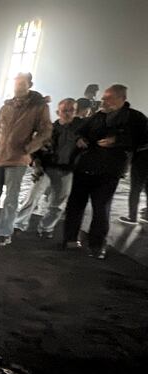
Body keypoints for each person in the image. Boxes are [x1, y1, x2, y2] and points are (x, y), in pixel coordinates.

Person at [63, 84, 148, 259]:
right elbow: (80, 131)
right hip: (85, 167)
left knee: (101, 208)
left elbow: (142, 141)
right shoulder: (98, 116)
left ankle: (97, 245)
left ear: (121, 99)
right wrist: (80, 139)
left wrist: (117, 140)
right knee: (75, 205)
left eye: (108, 98)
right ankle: (70, 239)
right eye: (103, 98)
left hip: (109, 171)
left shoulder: (135, 118)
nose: (103, 101)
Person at [0, 72, 52, 246]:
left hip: (17, 158)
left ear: (29, 85)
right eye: (16, 84)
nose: (18, 87)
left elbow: (46, 130)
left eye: (21, 84)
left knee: (11, 198)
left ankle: (4, 233)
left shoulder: (38, 107)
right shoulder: (6, 107)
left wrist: (30, 148)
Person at [12, 98, 83, 238]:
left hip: (66, 170)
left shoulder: (82, 129)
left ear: (76, 112)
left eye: (71, 110)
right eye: (65, 110)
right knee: (32, 197)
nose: (68, 113)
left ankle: (46, 228)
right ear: (58, 112)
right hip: (46, 168)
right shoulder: (48, 129)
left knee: (58, 203)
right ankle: (19, 224)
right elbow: (35, 148)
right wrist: (36, 164)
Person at [118, 121, 148, 225]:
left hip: (140, 162)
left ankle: (132, 217)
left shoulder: (142, 128)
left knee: (135, 189)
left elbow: (132, 148)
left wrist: (125, 168)